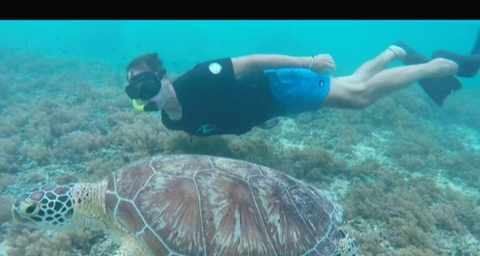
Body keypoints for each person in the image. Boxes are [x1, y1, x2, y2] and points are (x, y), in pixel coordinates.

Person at [124, 45, 460, 137]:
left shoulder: (199, 79)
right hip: (275, 107)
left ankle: (434, 67)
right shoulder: (171, 123)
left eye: (149, 85)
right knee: (350, 87)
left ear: (164, 78)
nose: (145, 96)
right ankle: (394, 52)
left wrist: (308, 61)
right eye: (136, 93)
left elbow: (253, 61)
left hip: (278, 86)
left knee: (358, 97)